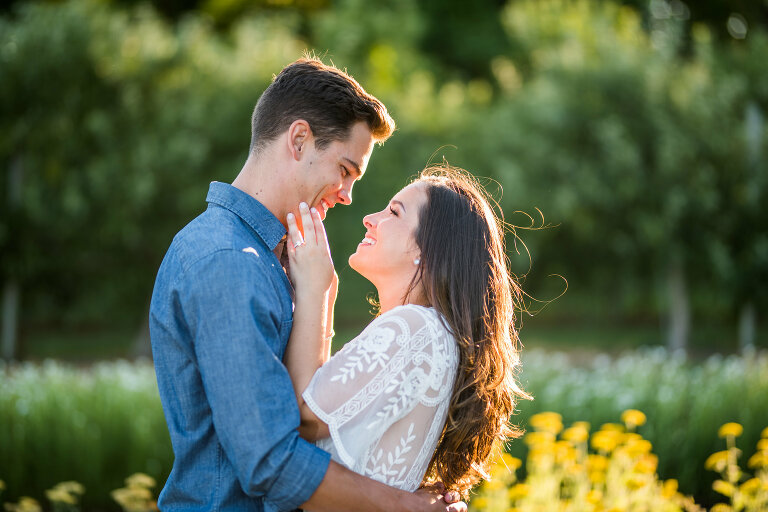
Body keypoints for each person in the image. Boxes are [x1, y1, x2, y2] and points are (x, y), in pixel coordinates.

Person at [149, 57, 467, 511]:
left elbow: (312, 407)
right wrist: (401, 505)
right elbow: (270, 463)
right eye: (344, 169)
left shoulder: (274, 259)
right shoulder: (228, 262)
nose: (347, 195)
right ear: (299, 140)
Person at [283, 165, 531, 500]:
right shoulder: (432, 332)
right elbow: (326, 408)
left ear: (426, 249)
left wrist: (312, 291)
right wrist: (325, 297)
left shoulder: (412, 329)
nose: (370, 217)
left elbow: (304, 419)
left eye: (393, 212)